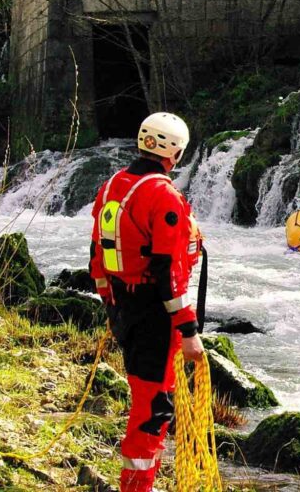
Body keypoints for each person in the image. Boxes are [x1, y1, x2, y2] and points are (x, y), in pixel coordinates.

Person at [88, 112, 205, 492]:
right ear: (176, 151)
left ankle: (138, 483)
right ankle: (137, 486)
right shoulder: (163, 194)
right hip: (155, 314)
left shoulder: (111, 186)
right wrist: (189, 331)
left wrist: (110, 307)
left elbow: (97, 255)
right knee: (153, 408)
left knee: (146, 396)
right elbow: (168, 270)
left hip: (125, 306)